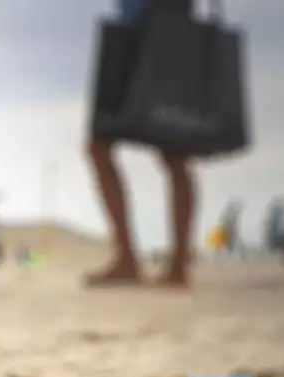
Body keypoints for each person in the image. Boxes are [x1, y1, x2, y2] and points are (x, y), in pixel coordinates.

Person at [87, 0, 197, 288]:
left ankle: (175, 264)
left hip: (165, 27)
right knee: (100, 146)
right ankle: (131, 259)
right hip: (132, 29)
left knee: (173, 152)